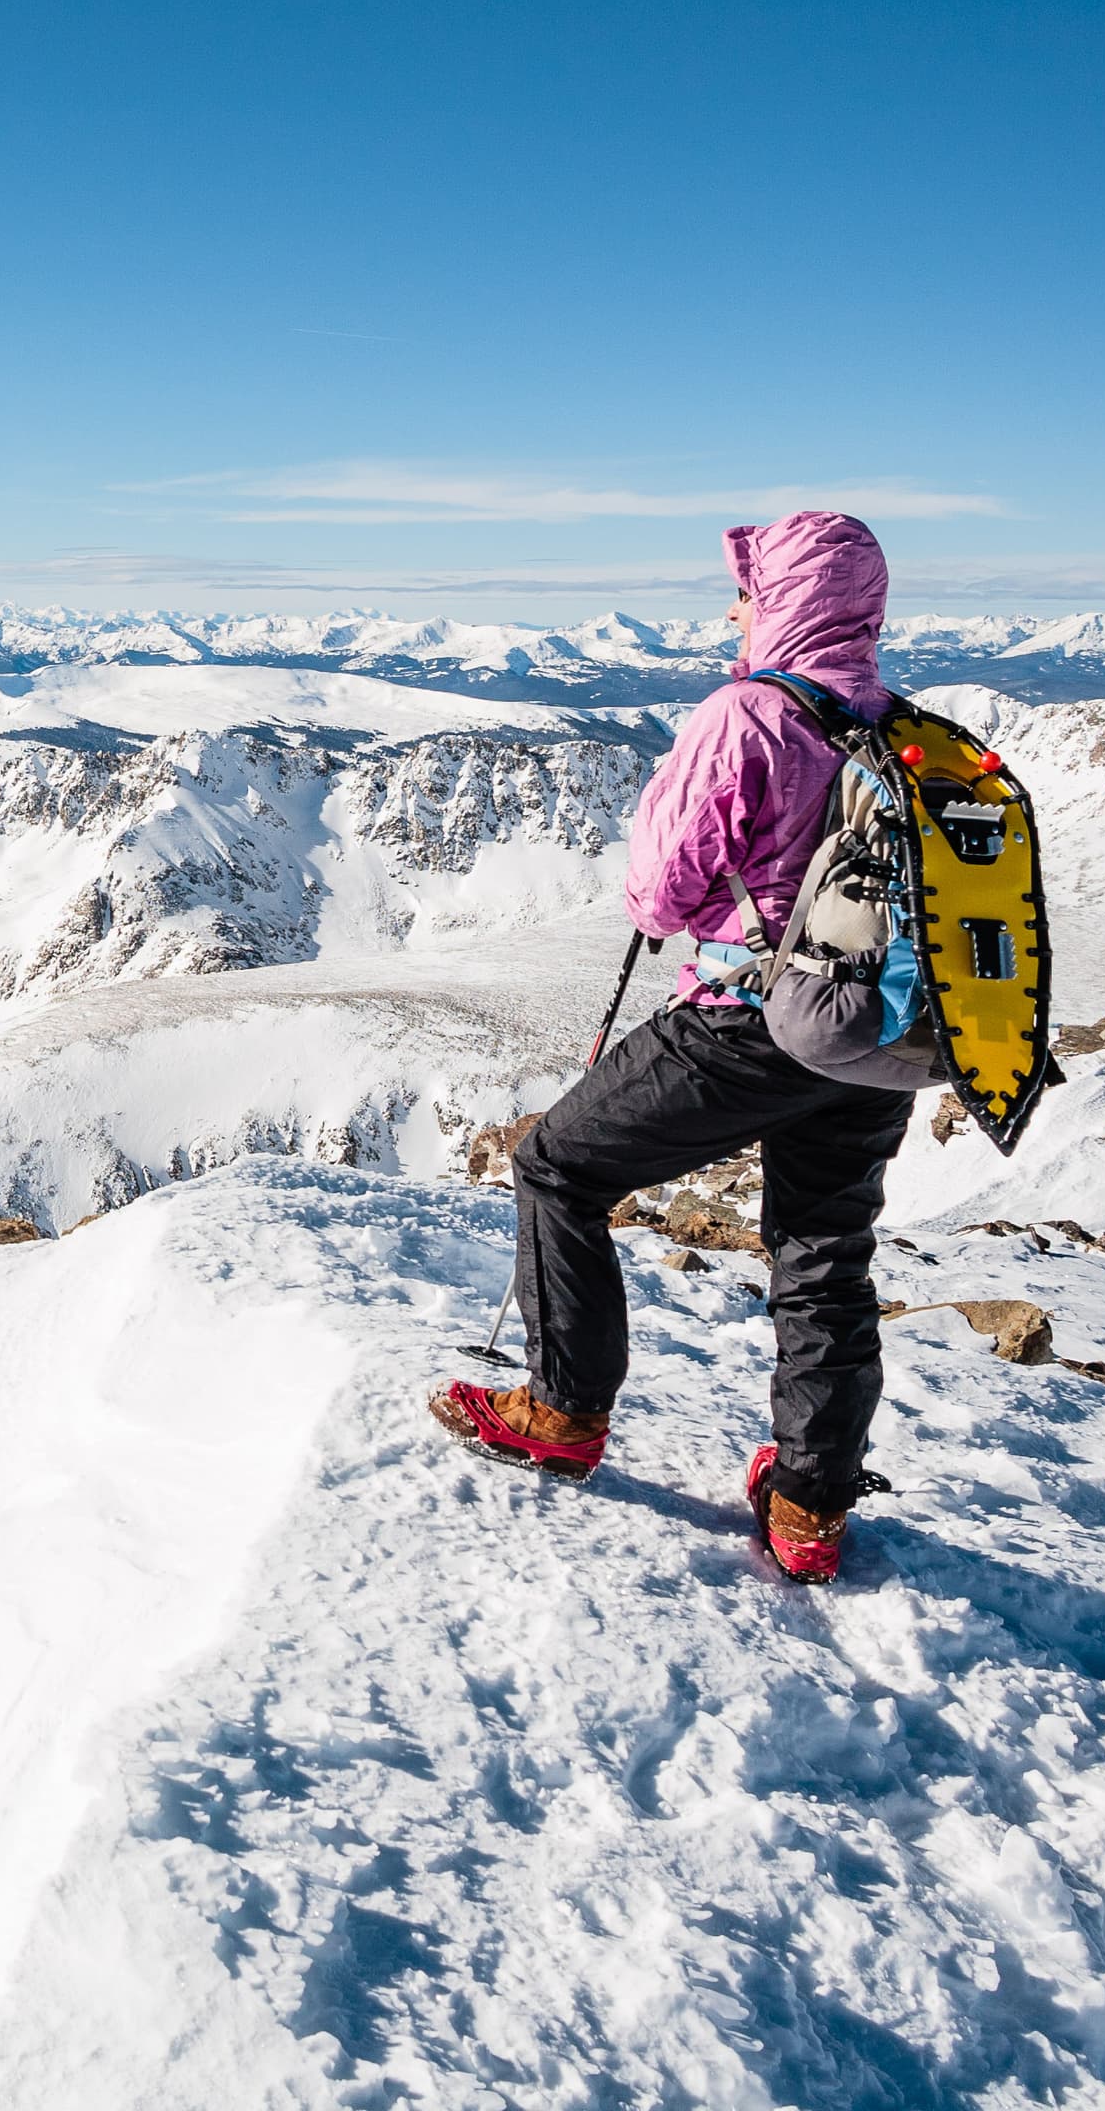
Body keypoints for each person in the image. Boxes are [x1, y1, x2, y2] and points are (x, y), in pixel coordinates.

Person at [430, 509, 916, 1583]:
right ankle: (808, 1506)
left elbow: (661, 890)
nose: (731, 607)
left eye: (745, 589)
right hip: (876, 1033)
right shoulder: (904, 727)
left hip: (751, 1021)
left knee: (560, 1164)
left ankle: (562, 1411)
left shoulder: (750, 715)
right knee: (825, 1252)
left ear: (784, 597)